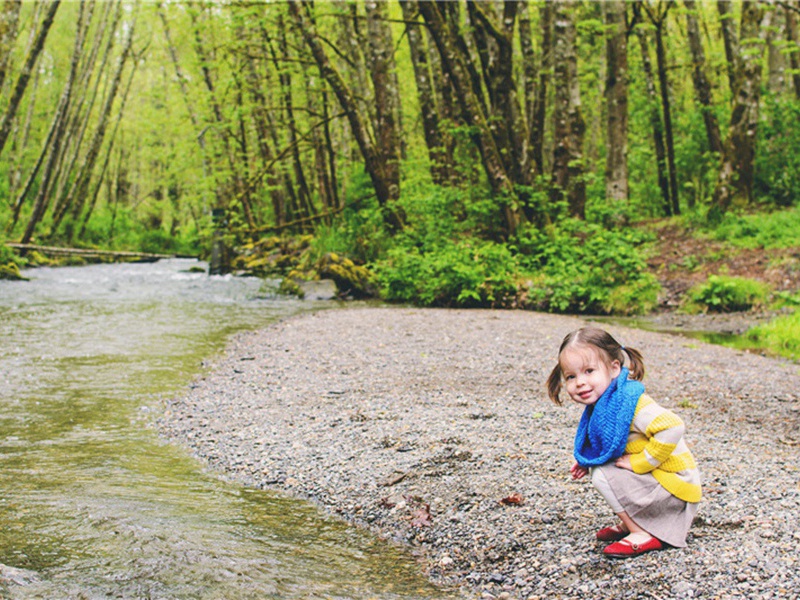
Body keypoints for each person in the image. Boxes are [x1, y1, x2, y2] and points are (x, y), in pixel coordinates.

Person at [546, 326, 701, 558]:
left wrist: (642, 462)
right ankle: (635, 522)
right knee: (600, 468)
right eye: (571, 376)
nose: (579, 382)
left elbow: (673, 426)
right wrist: (587, 460)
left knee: (602, 474)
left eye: (589, 371)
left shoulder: (632, 404)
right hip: (663, 480)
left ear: (614, 368)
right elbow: (612, 442)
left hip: (677, 486)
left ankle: (642, 532)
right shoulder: (608, 403)